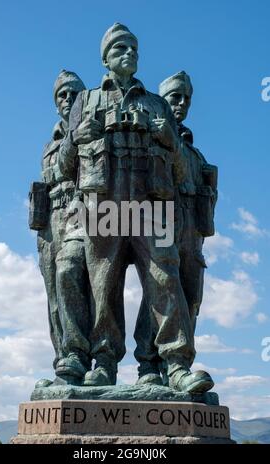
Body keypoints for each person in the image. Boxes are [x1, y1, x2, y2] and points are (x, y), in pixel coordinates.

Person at [59, 24, 213, 393]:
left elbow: (179, 171)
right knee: (103, 285)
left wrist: (169, 140)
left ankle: (172, 365)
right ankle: (104, 362)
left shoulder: (157, 105)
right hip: (102, 207)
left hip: (152, 207)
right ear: (105, 58)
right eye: (120, 48)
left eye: (133, 48)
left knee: (166, 280)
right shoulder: (87, 101)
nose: (129, 53)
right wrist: (76, 137)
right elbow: (65, 166)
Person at [134, 71, 217, 385]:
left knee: (191, 298)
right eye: (174, 97)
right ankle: (149, 365)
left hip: (191, 233)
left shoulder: (196, 153)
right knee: (160, 291)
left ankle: (176, 370)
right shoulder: (149, 140)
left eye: (186, 98)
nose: (181, 103)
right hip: (159, 220)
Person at [31, 70, 91, 385]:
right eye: (61, 96)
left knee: (75, 278)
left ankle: (82, 356)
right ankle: (63, 365)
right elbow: (52, 175)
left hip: (82, 213)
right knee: (54, 295)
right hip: (51, 221)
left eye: (72, 93)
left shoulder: (93, 131)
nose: (67, 99)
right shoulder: (49, 143)